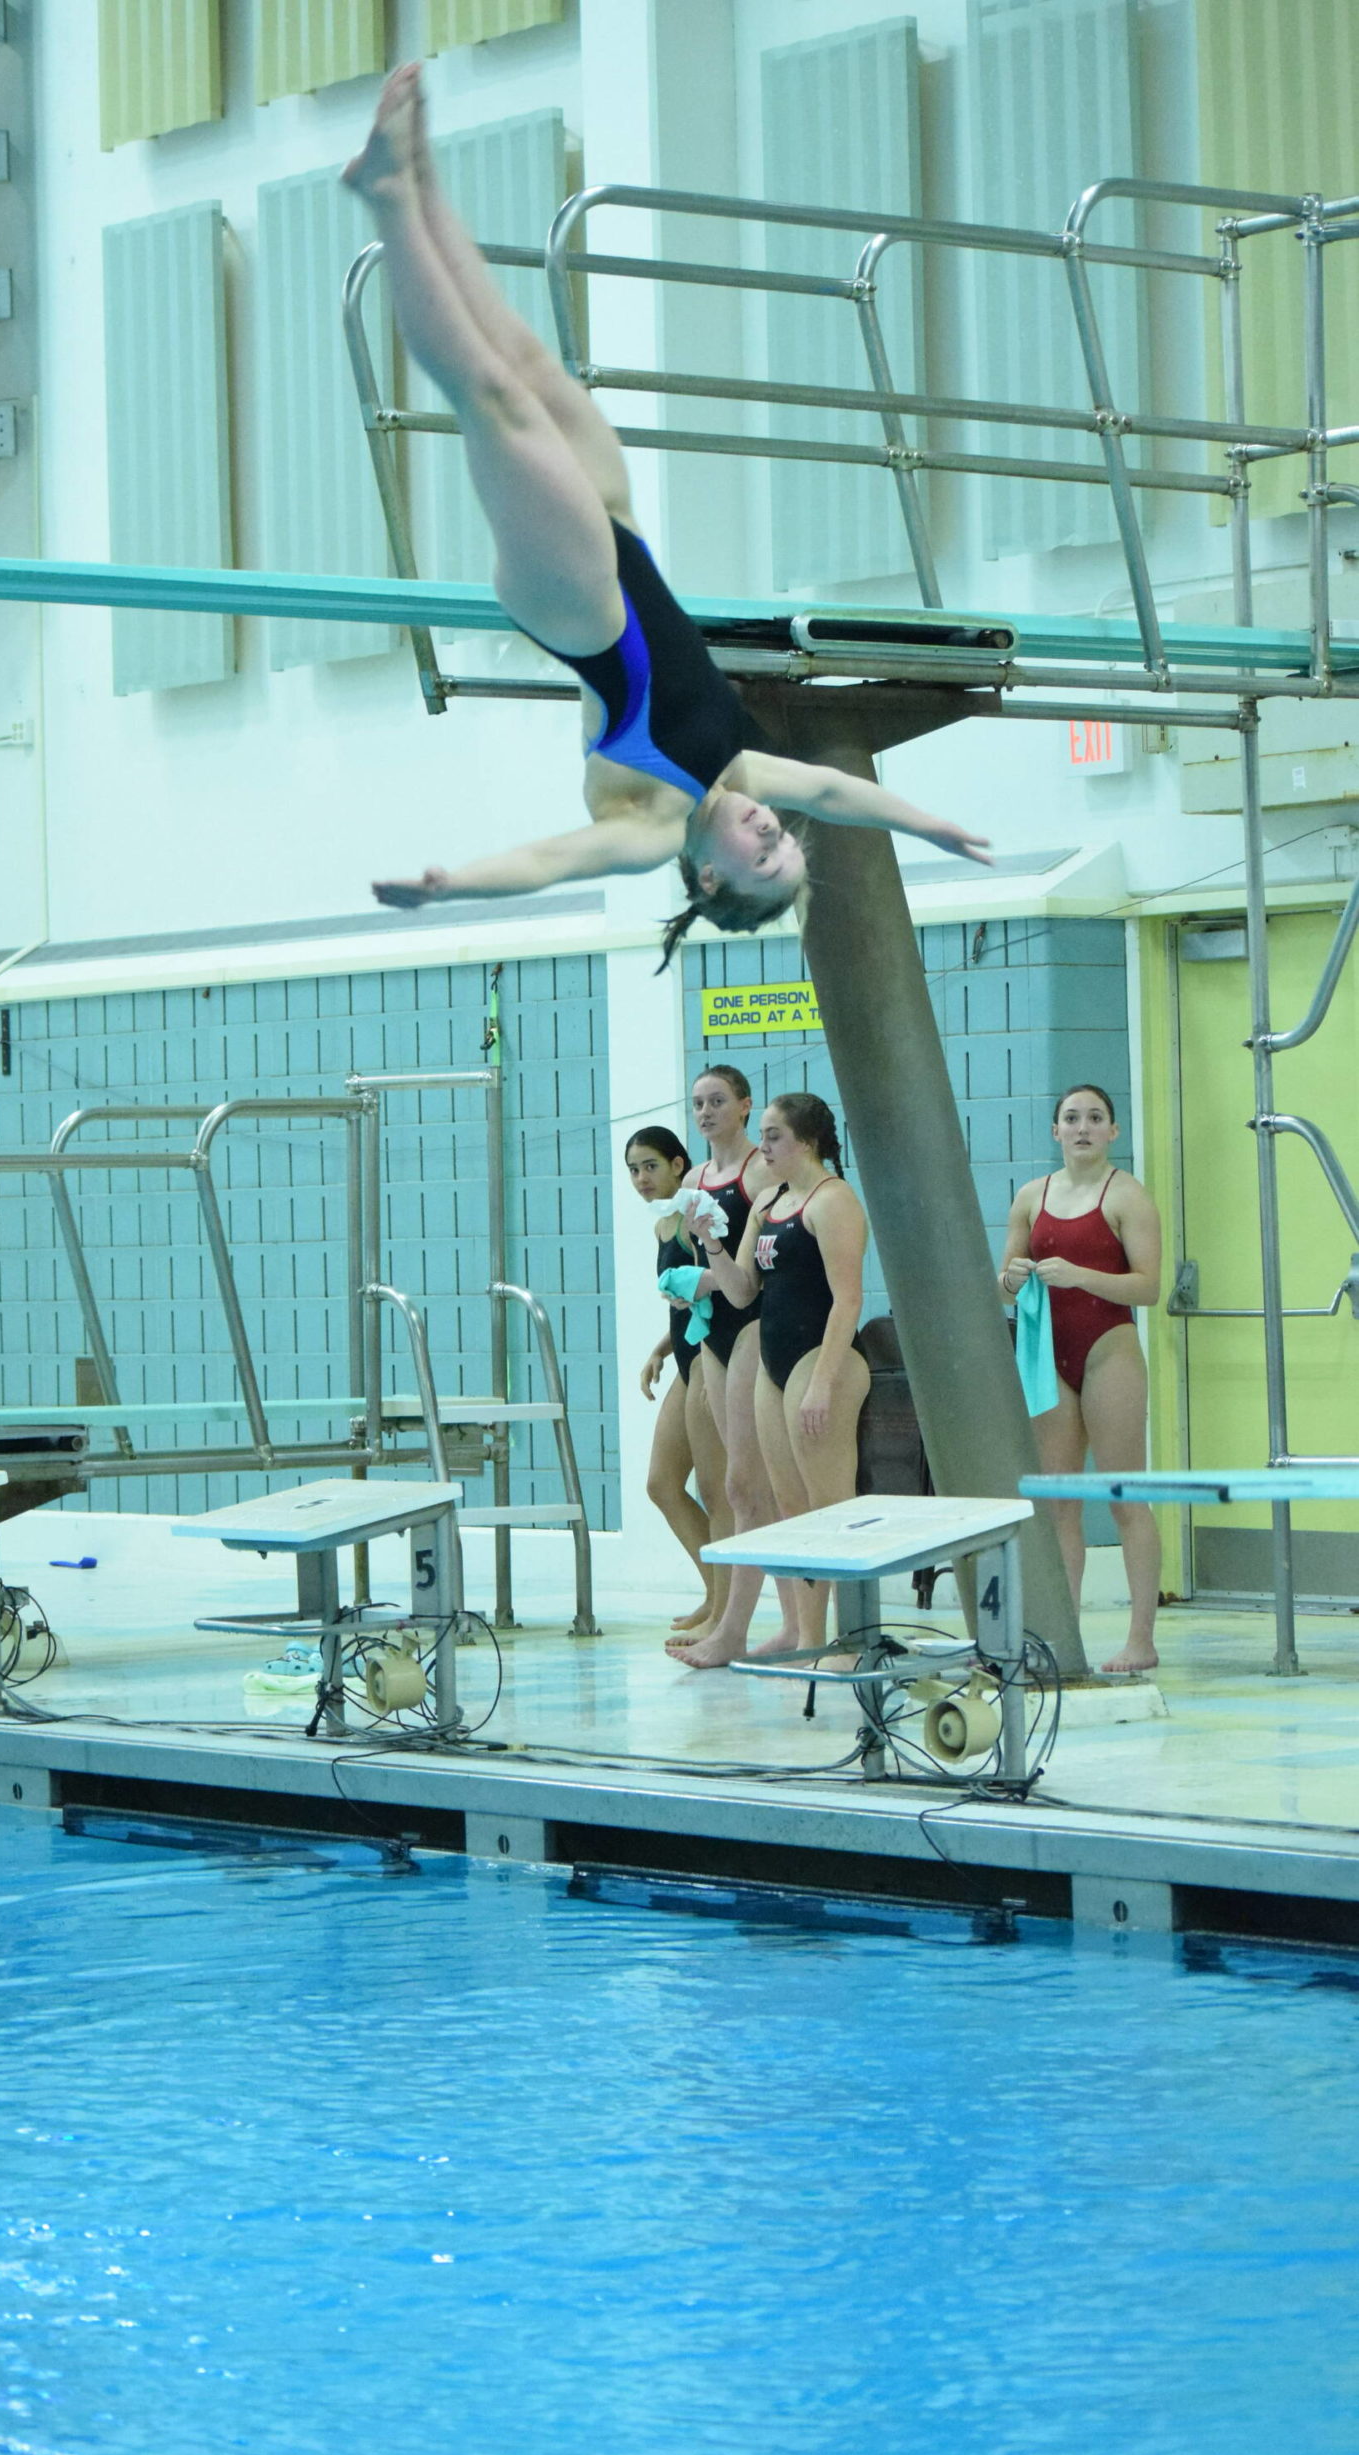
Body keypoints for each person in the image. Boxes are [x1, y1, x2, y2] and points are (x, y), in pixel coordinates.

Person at [347, 64, 991, 963]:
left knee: (490, 395)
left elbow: (549, 861)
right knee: (527, 362)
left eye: (760, 852)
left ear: (709, 877)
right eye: (782, 837)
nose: (770, 826)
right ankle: (417, 176)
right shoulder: (735, 769)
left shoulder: (648, 827)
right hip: (622, 540)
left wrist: (454, 883)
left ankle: (386, 202)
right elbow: (835, 794)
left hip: (583, 607)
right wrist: (931, 826)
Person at [677, 1092, 871, 1669]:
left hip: (824, 1359)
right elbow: (741, 1290)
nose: (763, 1146)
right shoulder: (769, 1200)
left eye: (773, 1136)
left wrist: (823, 1382)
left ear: (806, 1142)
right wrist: (710, 1239)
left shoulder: (834, 1201)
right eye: (761, 1135)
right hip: (775, 1364)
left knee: (829, 1506)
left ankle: (850, 1635)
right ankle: (810, 1639)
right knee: (791, 1506)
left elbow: (848, 1300)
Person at [1000, 1084, 1163, 1675]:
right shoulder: (1030, 1197)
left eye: (1096, 1118)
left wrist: (1080, 1275)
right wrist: (1013, 1276)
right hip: (1050, 1360)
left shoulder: (1128, 1196)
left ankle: (1141, 1638)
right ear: (1056, 1132)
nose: (1084, 1127)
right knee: (1059, 1504)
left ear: (1113, 1131)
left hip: (1107, 1352)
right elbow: (1002, 1282)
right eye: (1072, 1118)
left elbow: (1148, 1287)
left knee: (1124, 1496)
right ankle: (1062, 1638)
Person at [664, 1066, 788, 1668]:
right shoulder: (694, 1177)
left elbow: (761, 1265)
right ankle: (740, 1621)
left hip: (755, 1323)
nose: (706, 1112)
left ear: (744, 1107)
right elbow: (697, 1258)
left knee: (746, 1481)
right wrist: (685, 1287)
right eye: (698, 1104)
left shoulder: (758, 1171)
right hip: (712, 1330)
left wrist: (711, 1276)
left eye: (717, 1101)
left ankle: (738, 1627)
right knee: (737, 1485)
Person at [626, 1125, 732, 1633]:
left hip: (713, 1364)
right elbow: (686, 1302)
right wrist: (661, 1347)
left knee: (717, 1489)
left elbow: (725, 1290)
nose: (641, 1178)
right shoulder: (663, 1224)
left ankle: (728, 1607)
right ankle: (715, 1592)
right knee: (662, 1484)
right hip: (687, 1361)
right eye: (633, 1169)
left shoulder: (696, 1216)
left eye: (650, 1166)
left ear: (677, 1165)